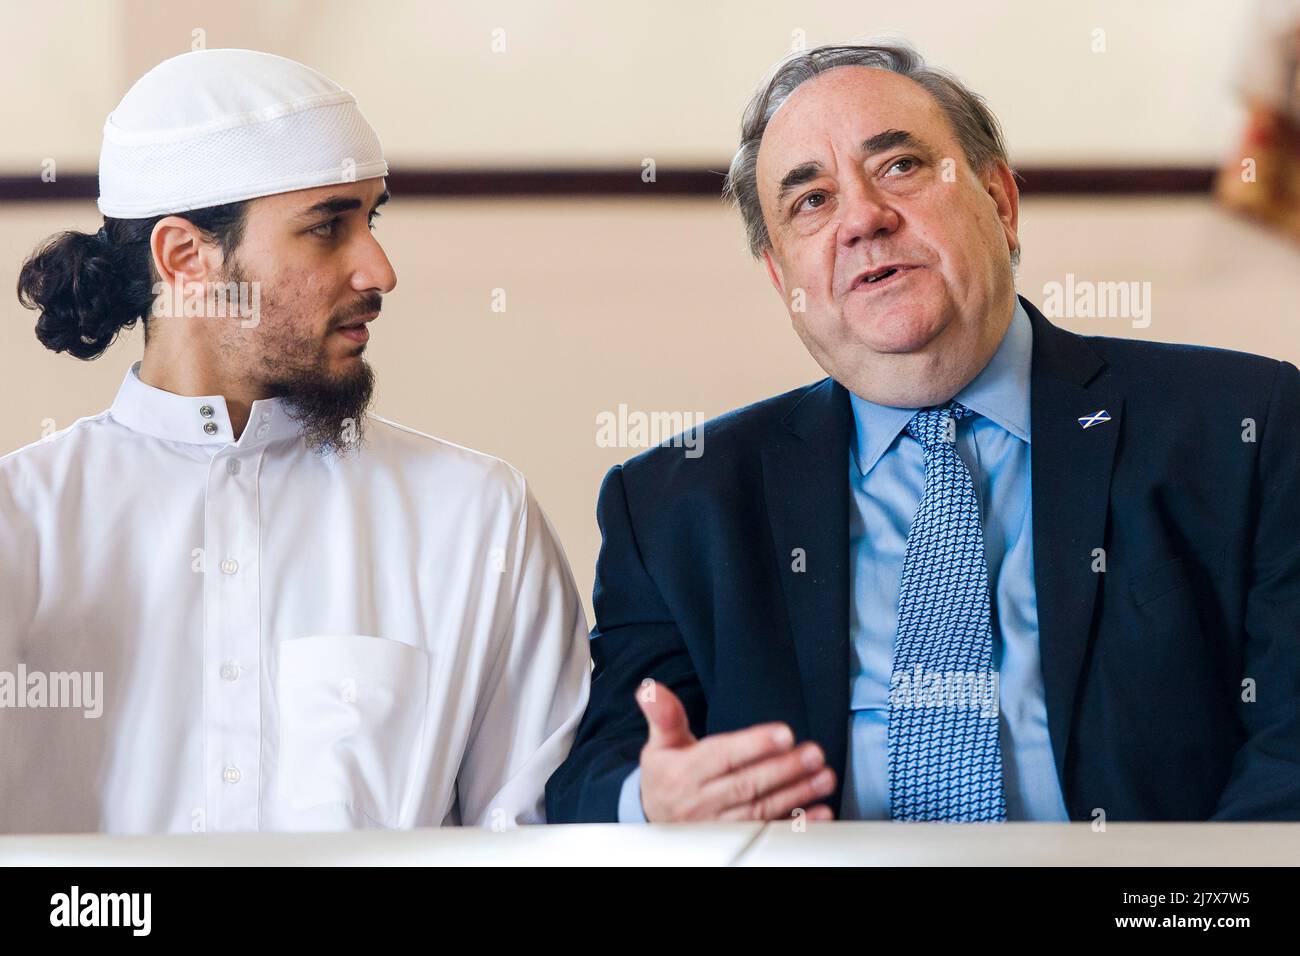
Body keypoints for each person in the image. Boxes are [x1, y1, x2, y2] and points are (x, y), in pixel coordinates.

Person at [546, 44, 1300, 824]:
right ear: (783, 279)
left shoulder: (1246, 426)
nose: (863, 219)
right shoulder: (673, 503)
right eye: (810, 201)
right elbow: (591, 782)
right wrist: (655, 805)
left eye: (901, 166)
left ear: (1000, 202)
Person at [3, 48, 590, 833]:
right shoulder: (23, 526)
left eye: (370, 220)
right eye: (327, 228)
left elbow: (540, 845)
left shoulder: (481, 519)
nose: (379, 271)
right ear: (186, 257)